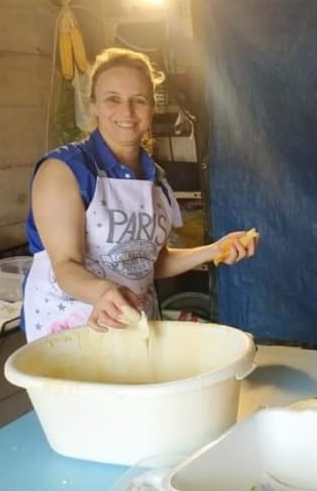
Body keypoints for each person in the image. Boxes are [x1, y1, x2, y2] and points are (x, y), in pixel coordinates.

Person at [22, 47, 257, 342]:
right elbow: (66, 265)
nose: (127, 112)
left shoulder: (155, 179)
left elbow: (151, 263)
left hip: (137, 325)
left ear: (151, 108)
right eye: (113, 99)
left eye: (139, 100)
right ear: (93, 104)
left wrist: (214, 250)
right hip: (76, 330)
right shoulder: (64, 171)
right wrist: (102, 292)